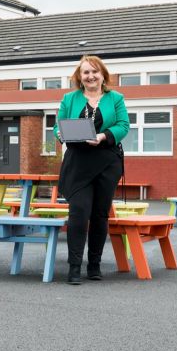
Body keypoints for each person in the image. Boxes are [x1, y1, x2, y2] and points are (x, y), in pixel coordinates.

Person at [54, 55, 129, 284]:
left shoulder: (116, 98)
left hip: (107, 161)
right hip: (78, 163)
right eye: (86, 72)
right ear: (80, 76)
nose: (90, 76)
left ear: (103, 75)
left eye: (95, 72)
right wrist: (61, 134)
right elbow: (58, 126)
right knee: (78, 213)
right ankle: (74, 267)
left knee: (99, 214)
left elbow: (123, 125)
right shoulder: (69, 99)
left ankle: (94, 265)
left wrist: (104, 135)